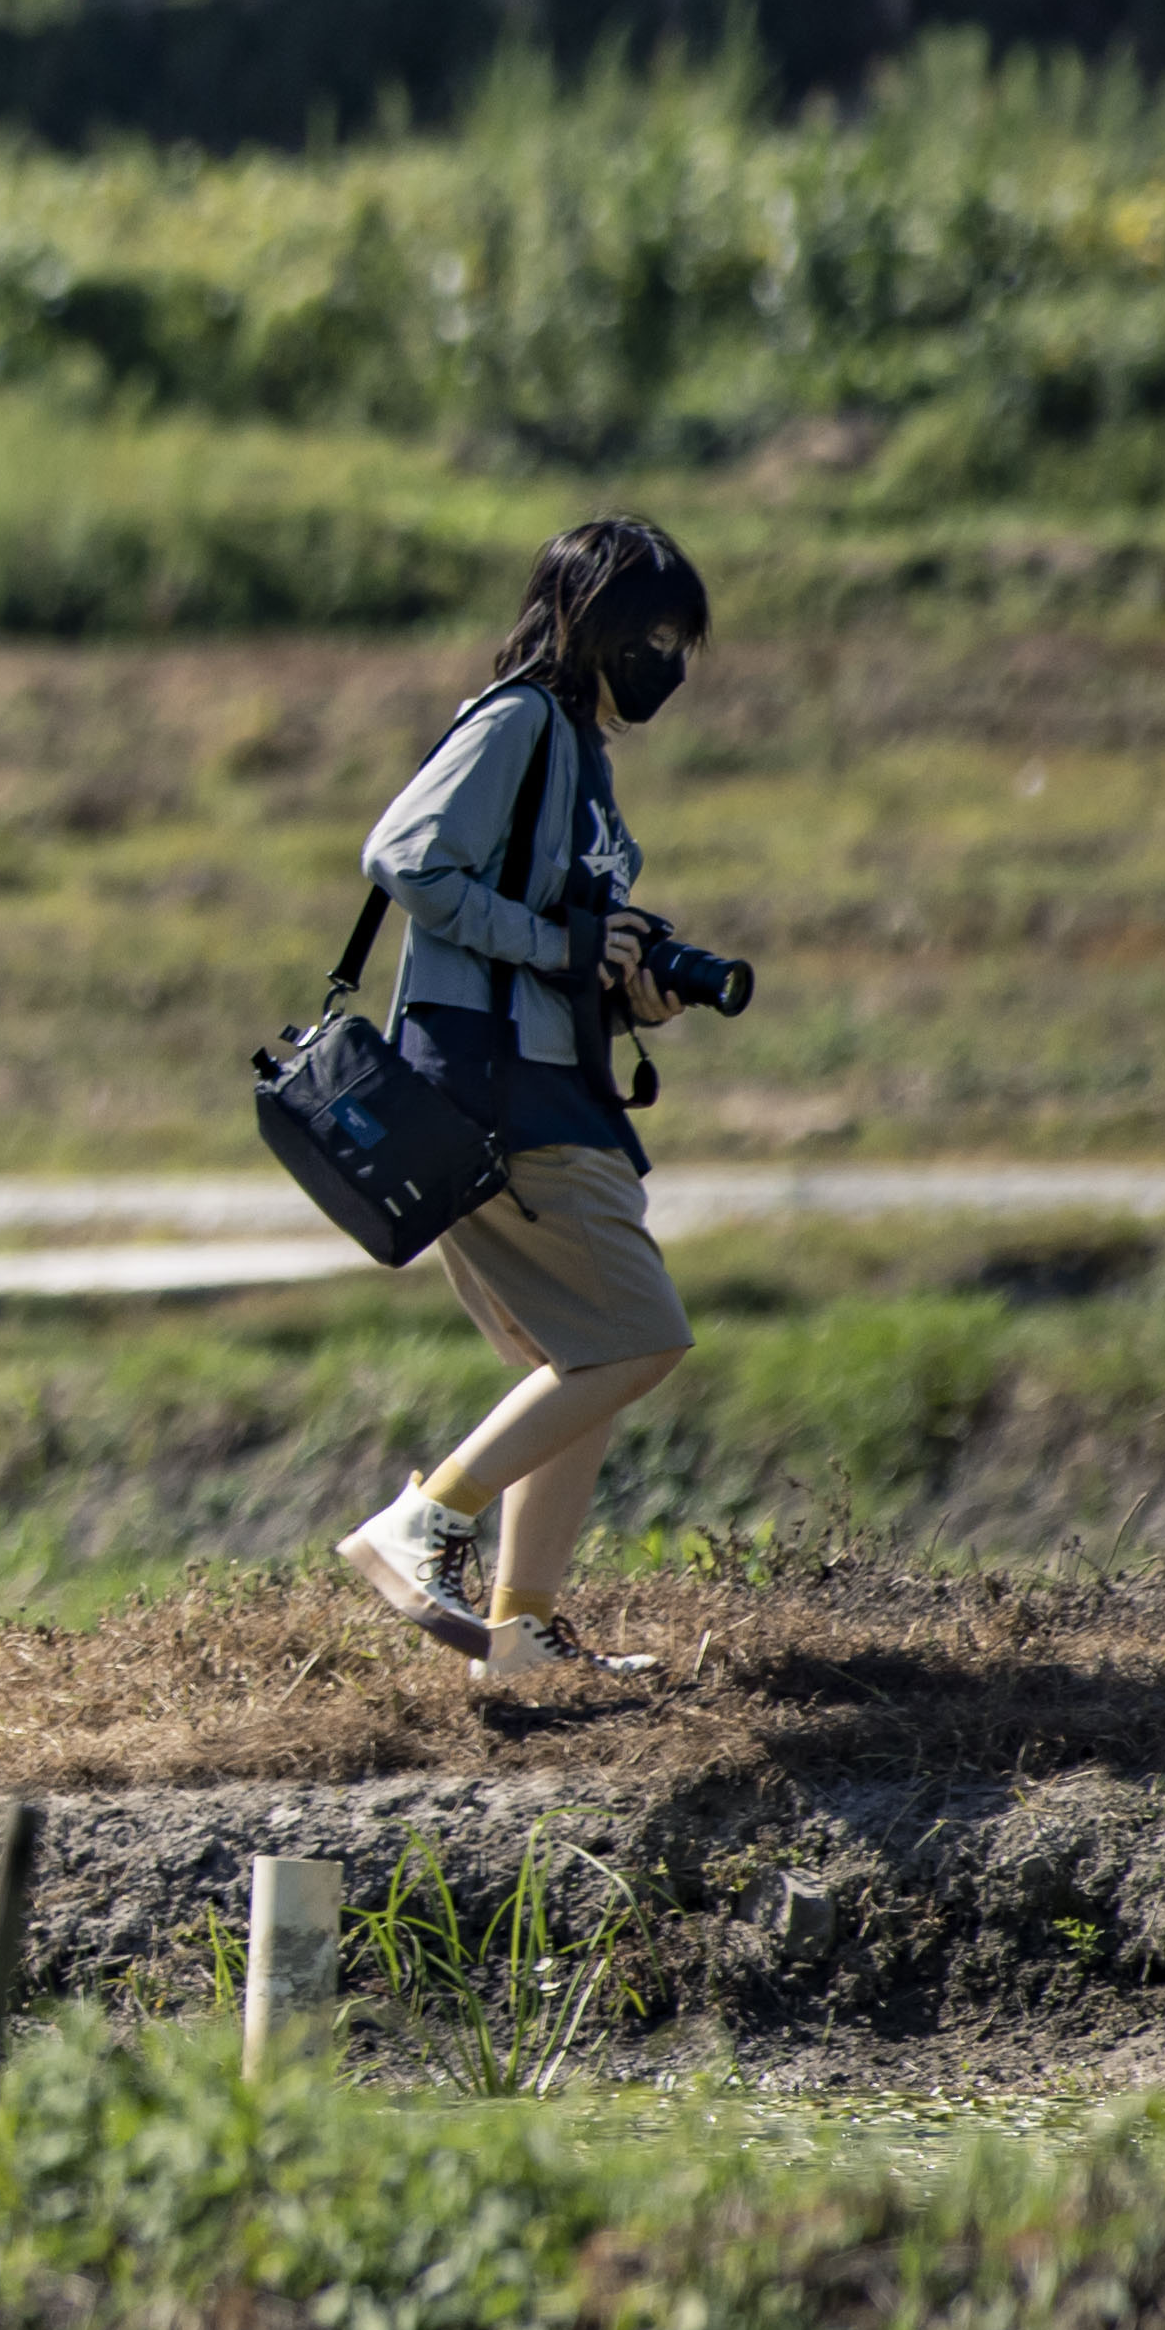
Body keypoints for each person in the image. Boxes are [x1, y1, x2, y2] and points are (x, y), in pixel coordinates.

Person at [336, 519, 736, 1685]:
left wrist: (629, 987)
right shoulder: (517, 720)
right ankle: (425, 1523)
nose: (665, 658)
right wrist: (554, 937)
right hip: (502, 1092)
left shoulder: (579, 751)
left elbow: (545, 941)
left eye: (678, 640)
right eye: (650, 632)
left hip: (553, 1079)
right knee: (636, 1333)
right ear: (587, 620)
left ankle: (518, 1637)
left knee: (582, 1358)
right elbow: (404, 855)